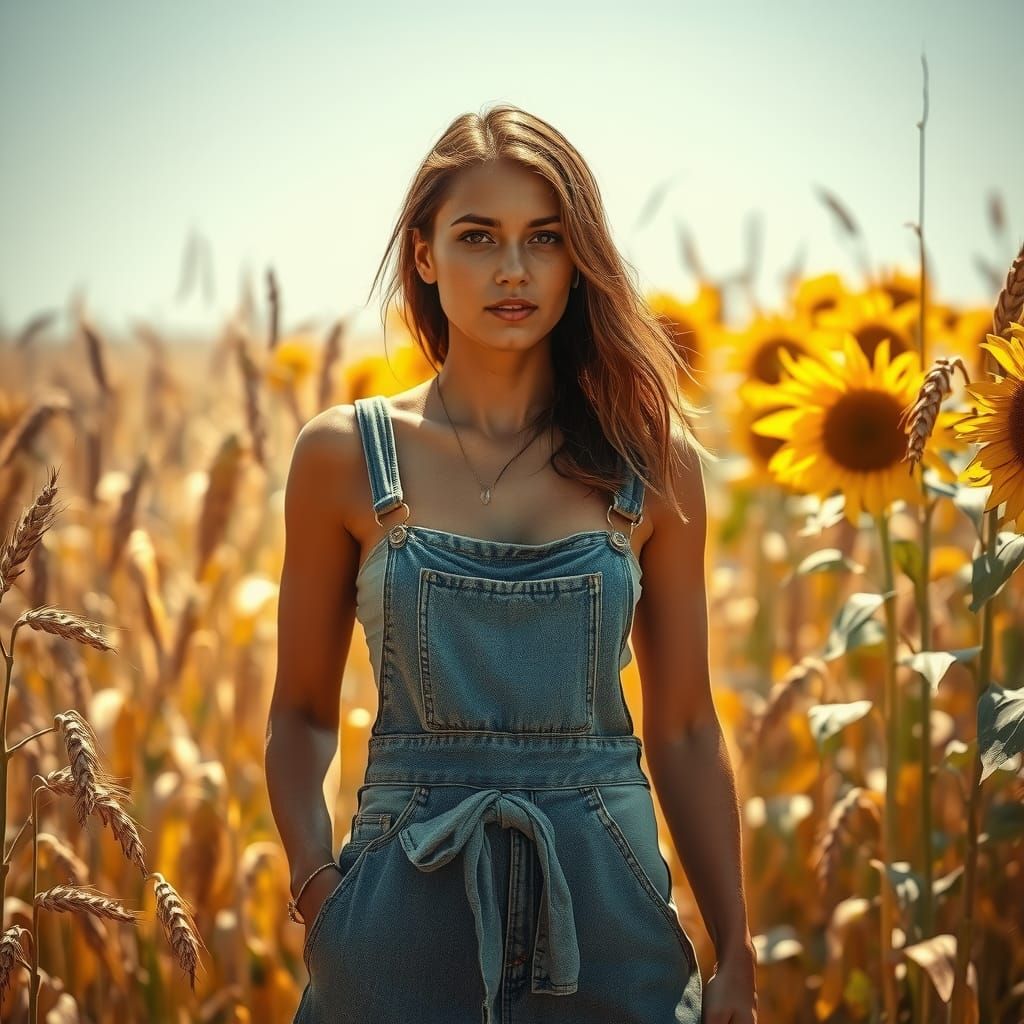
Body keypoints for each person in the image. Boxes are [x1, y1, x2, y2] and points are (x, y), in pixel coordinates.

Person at [265, 103, 757, 1024]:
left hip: (608, 908)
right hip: (396, 905)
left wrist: (736, 951)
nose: (513, 269)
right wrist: (318, 890)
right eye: (478, 237)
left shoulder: (652, 464)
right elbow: (298, 712)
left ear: (579, 262)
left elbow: (688, 727)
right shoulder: (342, 455)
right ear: (423, 254)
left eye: (545, 238)